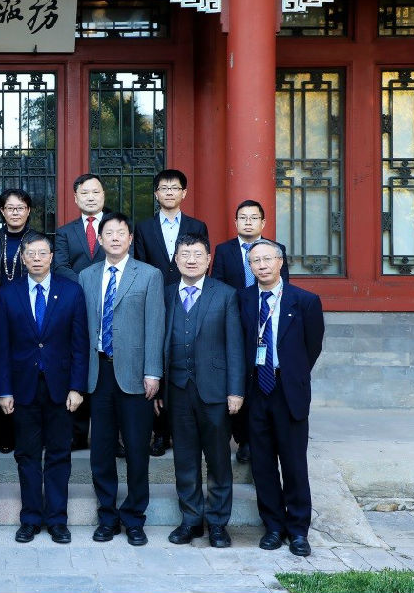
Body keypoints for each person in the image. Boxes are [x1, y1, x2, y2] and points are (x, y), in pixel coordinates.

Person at [0, 231, 89, 544]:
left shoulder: (71, 292)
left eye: (42, 253)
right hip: (23, 388)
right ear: (22, 258)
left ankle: (57, 520)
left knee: (59, 454)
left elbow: (80, 345)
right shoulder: (8, 294)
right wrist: (4, 390)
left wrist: (77, 387)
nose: (36, 258)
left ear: (51, 257)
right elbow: (1, 347)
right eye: (30, 253)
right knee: (27, 455)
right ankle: (31, 518)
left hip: (61, 389)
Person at [78, 212, 164, 547]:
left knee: (137, 449)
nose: (115, 238)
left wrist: (153, 371)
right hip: (98, 372)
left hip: (135, 375)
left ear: (130, 239)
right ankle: (107, 516)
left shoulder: (149, 275)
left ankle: (134, 518)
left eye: (121, 233)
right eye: (109, 233)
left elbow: (155, 325)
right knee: (100, 450)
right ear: (99, 240)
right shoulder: (86, 276)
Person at [239, 240, 324, 557]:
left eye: (267, 259)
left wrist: (290, 373)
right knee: (262, 464)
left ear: (280, 262)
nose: (261, 265)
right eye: (255, 261)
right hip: (256, 391)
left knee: (293, 463)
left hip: (288, 390)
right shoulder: (243, 299)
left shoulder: (305, 301)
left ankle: (298, 530)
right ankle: (273, 526)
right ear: (250, 267)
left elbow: (312, 347)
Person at [159, 234, 245, 548]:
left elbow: (235, 346)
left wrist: (236, 391)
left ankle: (218, 523)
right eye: (185, 254)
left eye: (198, 254)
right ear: (176, 259)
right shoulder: (167, 293)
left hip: (215, 392)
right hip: (177, 389)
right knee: (185, 459)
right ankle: (191, 520)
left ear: (208, 259)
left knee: (219, 460)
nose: (191, 260)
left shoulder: (225, 294)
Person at [134, 169, 209, 457]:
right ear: (156, 193)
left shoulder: (196, 225)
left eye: (174, 187)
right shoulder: (144, 227)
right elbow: (141, 264)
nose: (169, 192)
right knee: (158, 361)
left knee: (185, 358)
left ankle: (188, 429)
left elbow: (202, 262)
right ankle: (160, 432)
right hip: (155, 301)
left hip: (188, 299)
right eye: (163, 188)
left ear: (183, 193)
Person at [211, 199, 289, 464]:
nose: (248, 222)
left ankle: (259, 439)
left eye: (254, 218)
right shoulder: (224, 250)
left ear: (263, 222)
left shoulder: (276, 250)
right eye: (243, 218)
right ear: (235, 222)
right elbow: (218, 285)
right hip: (236, 321)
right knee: (240, 378)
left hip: (266, 320)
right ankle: (242, 438)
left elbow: (284, 286)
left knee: (262, 380)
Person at [53, 173, 108, 452]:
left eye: (95, 192)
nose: (90, 197)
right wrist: (86, 286)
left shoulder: (116, 227)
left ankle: (110, 434)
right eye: (84, 193)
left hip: (111, 304)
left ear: (103, 195)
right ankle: (76, 433)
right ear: (75, 199)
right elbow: (60, 266)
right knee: (79, 361)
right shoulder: (64, 232)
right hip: (75, 305)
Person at [0, 188, 34, 453]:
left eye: (20, 208)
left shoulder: (37, 240)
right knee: (0, 370)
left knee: (26, 372)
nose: (15, 212)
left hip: (29, 314)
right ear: (2, 211)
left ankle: (25, 432)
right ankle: (3, 433)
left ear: (28, 210)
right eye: (10, 208)